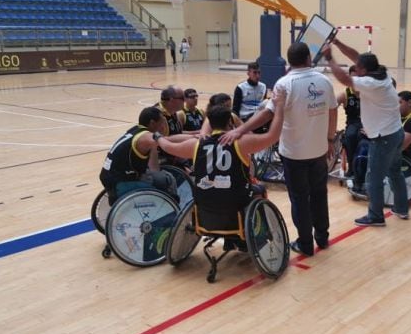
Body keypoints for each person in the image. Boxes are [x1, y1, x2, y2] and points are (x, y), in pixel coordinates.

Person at [222, 42, 338, 256]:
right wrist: (330, 139)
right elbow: (333, 111)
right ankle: (322, 237)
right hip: (319, 151)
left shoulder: (284, 84)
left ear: (290, 61)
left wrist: (240, 130)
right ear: (308, 59)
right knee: (320, 195)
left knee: (300, 198)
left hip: (294, 154)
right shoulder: (324, 81)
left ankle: (305, 244)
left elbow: (267, 114)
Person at [155, 89, 286, 251]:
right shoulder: (241, 142)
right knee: (258, 188)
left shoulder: (197, 144)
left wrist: (158, 137)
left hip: (205, 204)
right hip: (234, 202)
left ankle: (230, 239)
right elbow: (273, 135)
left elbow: (169, 146)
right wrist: (279, 106)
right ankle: (255, 238)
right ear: (230, 123)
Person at [325, 39, 409, 225]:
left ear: (363, 70)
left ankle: (376, 216)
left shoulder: (370, 83)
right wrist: (338, 42)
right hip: (395, 132)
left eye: (358, 67)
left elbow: (345, 79)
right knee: (395, 172)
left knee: (373, 177)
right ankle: (402, 209)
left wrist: (330, 58)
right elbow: (357, 56)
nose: (355, 68)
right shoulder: (381, 73)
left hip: (383, 138)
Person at [98, 107, 176, 207]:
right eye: (161, 122)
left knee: (159, 177)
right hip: (120, 181)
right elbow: (167, 142)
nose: (163, 126)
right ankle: (172, 212)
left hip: (112, 176)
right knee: (168, 179)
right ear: (152, 123)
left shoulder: (136, 131)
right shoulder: (145, 138)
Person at [336, 65, 362, 179]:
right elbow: (331, 109)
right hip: (353, 122)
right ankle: (352, 167)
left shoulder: (369, 92)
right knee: (350, 137)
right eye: (354, 78)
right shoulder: (344, 94)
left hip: (369, 122)